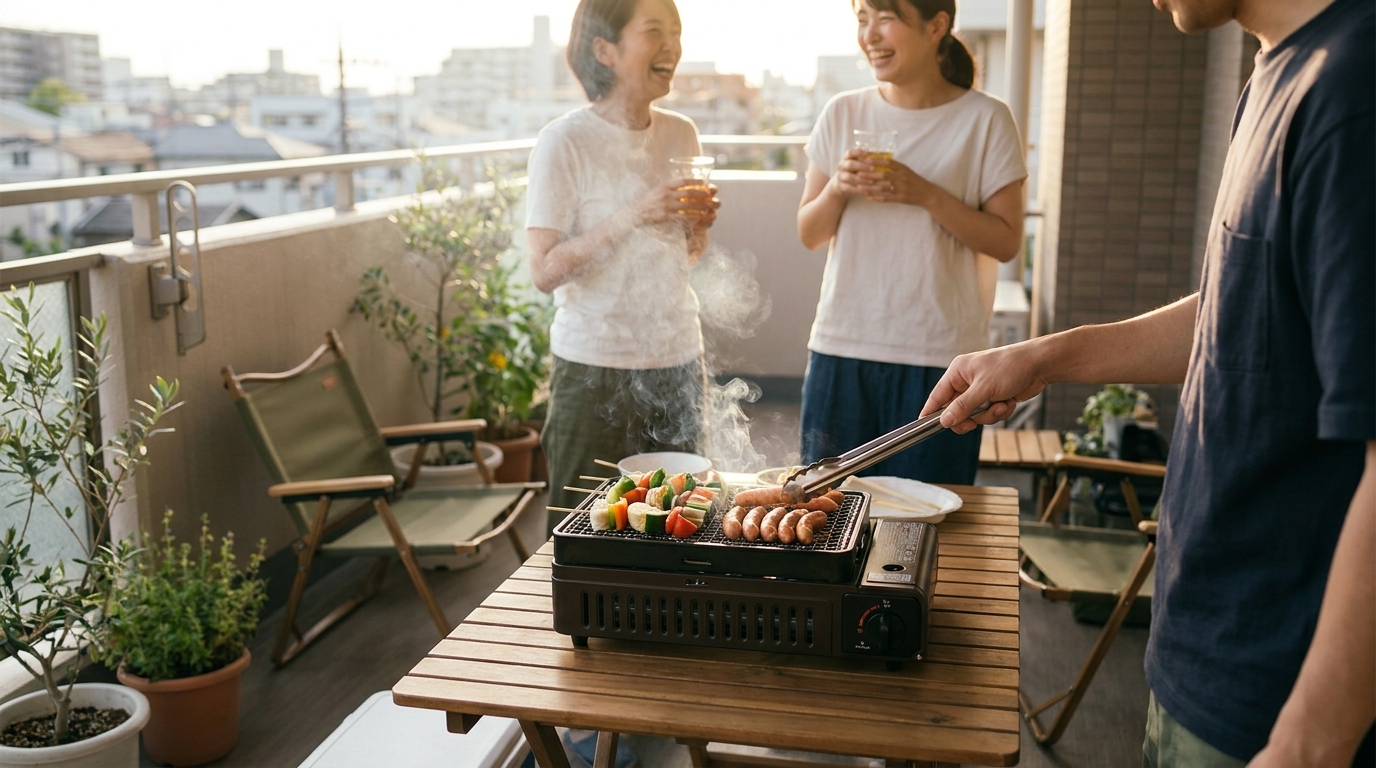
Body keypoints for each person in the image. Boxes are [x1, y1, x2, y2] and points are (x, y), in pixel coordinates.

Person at [921, 0, 1374, 763]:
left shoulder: (1355, 93)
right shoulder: (1275, 72)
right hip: (1203, 648)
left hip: (1279, 698)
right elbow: (1237, 310)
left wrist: (1310, 742)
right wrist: (1041, 358)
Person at [795, 0, 1027, 485]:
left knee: (925, 524)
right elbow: (809, 233)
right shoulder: (843, 112)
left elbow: (1006, 242)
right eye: (861, 19)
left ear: (936, 25)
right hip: (843, 347)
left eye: (885, 18)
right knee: (824, 511)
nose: (869, 35)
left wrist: (923, 193)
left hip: (941, 359)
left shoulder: (986, 119)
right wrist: (837, 186)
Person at [527, 0, 720, 535]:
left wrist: (696, 227)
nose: (672, 46)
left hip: (677, 357)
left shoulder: (682, 133)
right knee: (579, 534)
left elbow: (685, 257)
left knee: (681, 526)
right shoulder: (564, 141)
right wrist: (637, 213)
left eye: (677, 32)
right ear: (604, 49)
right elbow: (544, 270)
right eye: (654, 31)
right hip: (593, 367)